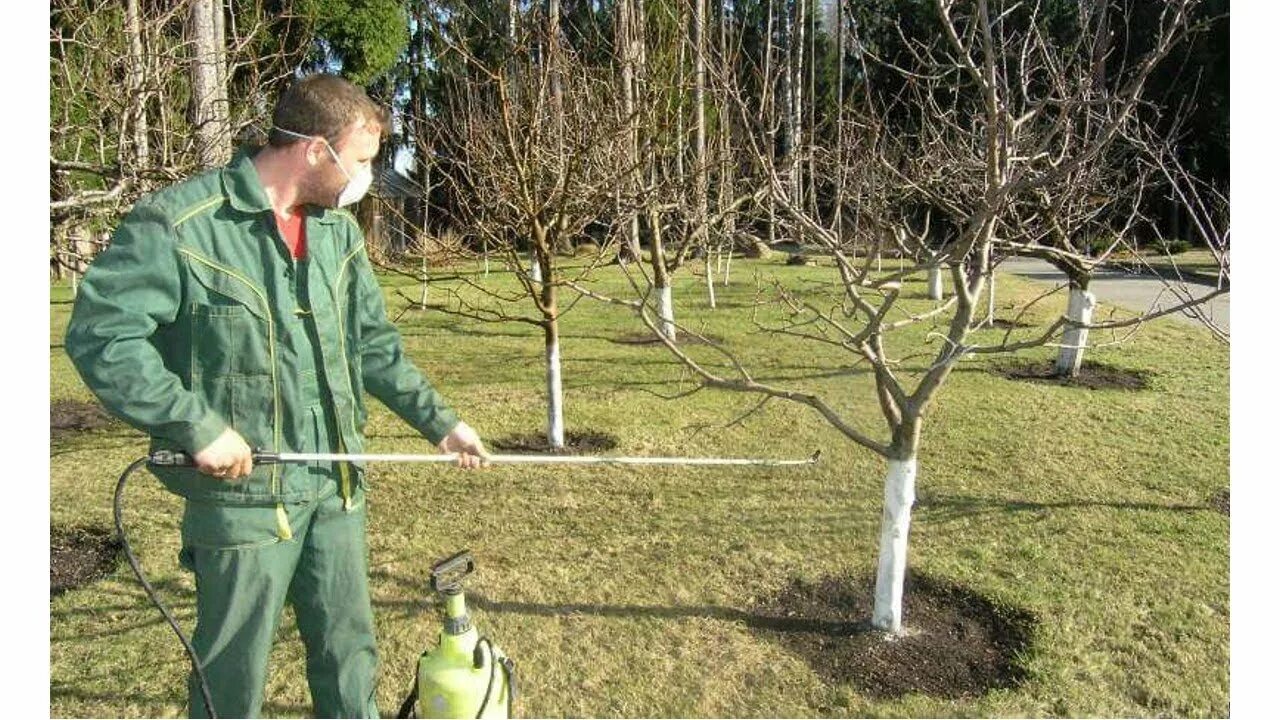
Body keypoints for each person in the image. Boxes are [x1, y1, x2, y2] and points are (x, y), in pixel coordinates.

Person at [65, 73, 489, 718]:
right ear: (316, 151)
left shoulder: (337, 236)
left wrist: (442, 423)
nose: (366, 178)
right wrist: (195, 425)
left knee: (350, 652)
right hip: (243, 501)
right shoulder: (180, 225)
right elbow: (103, 338)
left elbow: (372, 347)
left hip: (337, 484)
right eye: (362, 161)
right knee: (233, 671)